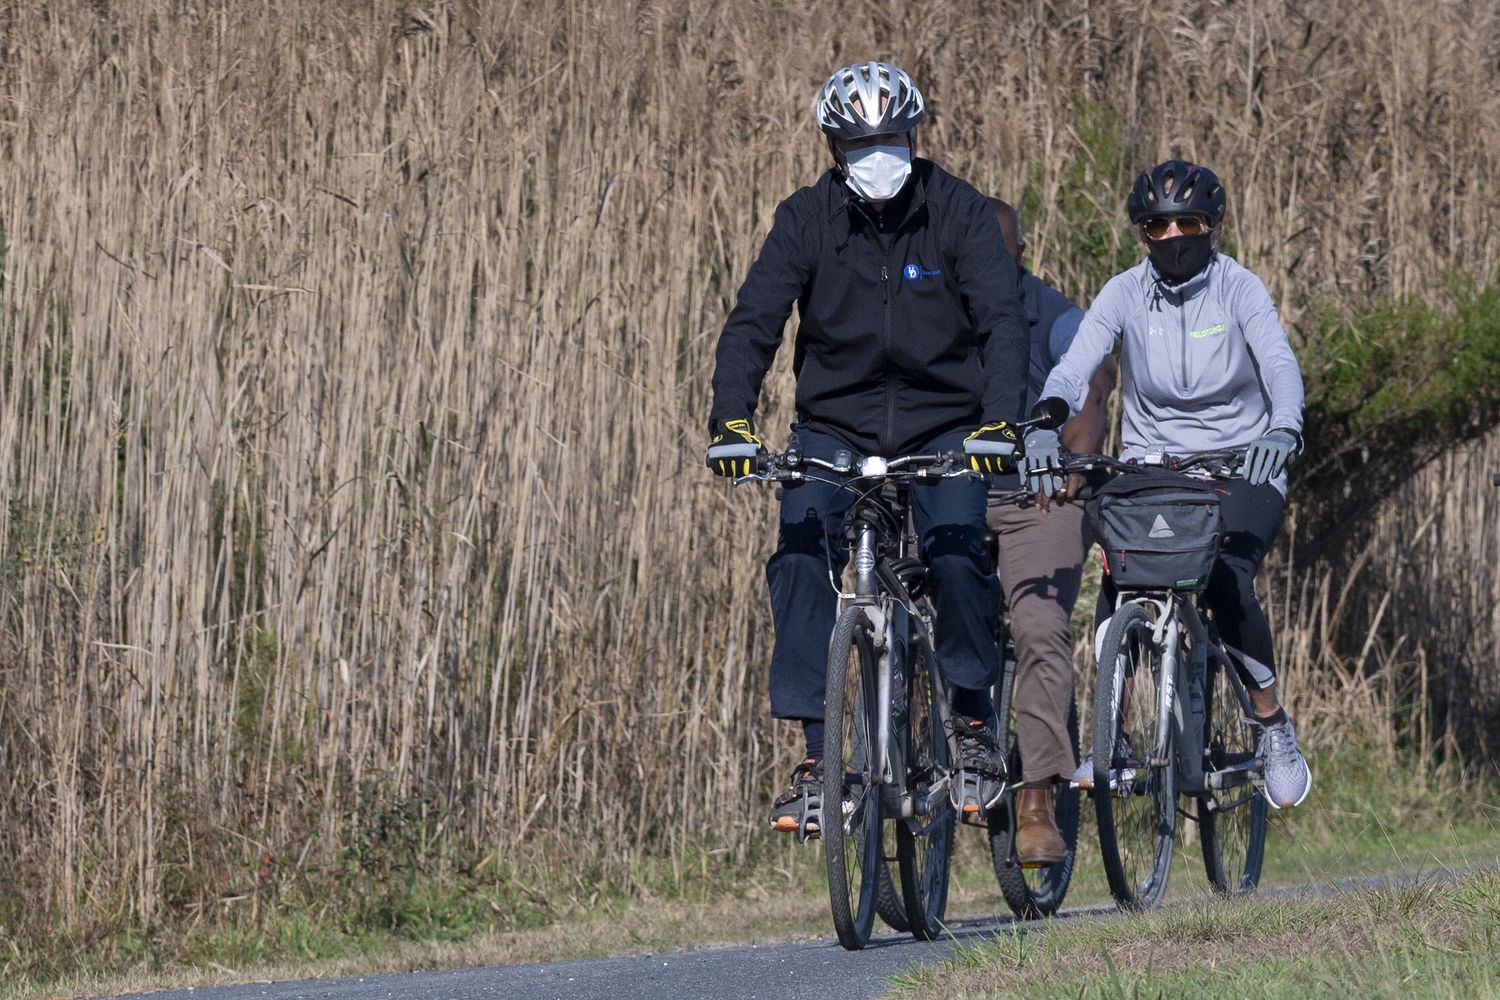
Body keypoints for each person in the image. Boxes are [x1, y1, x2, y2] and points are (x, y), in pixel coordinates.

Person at [705, 61, 1032, 836]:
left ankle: (974, 726)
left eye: (888, 138)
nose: (875, 154)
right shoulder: (806, 218)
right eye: (858, 143)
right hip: (836, 426)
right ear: (833, 146)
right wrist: (731, 422)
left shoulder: (958, 212)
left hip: (945, 423)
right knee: (797, 551)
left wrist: (998, 422)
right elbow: (754, 322)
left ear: (913, 137)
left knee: (955, 556)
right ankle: (821, 758)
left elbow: (1002, 324)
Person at [1030, 160, 1313, 809]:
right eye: (1157, 225)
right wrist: (1046, 422)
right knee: (1121, 571)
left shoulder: (1239, 287)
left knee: (1226, 578)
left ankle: (1270, 723)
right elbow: (1076, 366)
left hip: (1243, 461)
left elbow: (1278, 361)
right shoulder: (1125, 293)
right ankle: (1117, 736)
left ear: (1211, 227)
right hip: (1153, 464)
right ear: (1142, 232)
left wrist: (1282, 428)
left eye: (1188, 223)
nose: (1173, 235)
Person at [983, 199, 1116, 864]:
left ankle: (1036, 798)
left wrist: (1082, 438)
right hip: (952, 495)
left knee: (1038, 626)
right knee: (916, 607)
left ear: (1020, 258)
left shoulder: (1049, 311)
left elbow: (1094, 367)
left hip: (1039, 496)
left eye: (998, 257)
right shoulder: (931, 315)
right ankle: (920, 758)